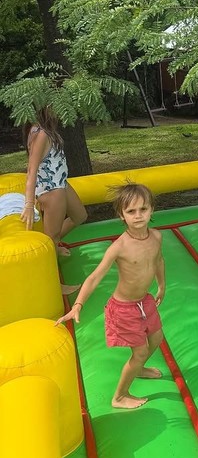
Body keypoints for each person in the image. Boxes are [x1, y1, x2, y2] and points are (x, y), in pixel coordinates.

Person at [56, 183, 165, 410]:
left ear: (152, 209)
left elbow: (158, 261)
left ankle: (139, 368)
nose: (138, 216)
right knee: (140, 350)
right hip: (124, 307)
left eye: (143, 209)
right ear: (121, 215)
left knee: (156, 339)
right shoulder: (120, 247)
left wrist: (161, 285)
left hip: (144, 301)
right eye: (131, 211)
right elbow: (95, 277)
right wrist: (78, 305)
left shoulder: (156, 237)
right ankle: (120, 396)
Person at [20, 106, 87, 284]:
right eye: (54, 106)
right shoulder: (40, 133)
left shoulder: (44, 130)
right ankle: (52, 283)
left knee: (80, 216)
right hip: (52, 190)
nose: (59, 109)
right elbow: (31, 170)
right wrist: (28, 204)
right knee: (52, 237)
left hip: (61, 183)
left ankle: (52, 248)